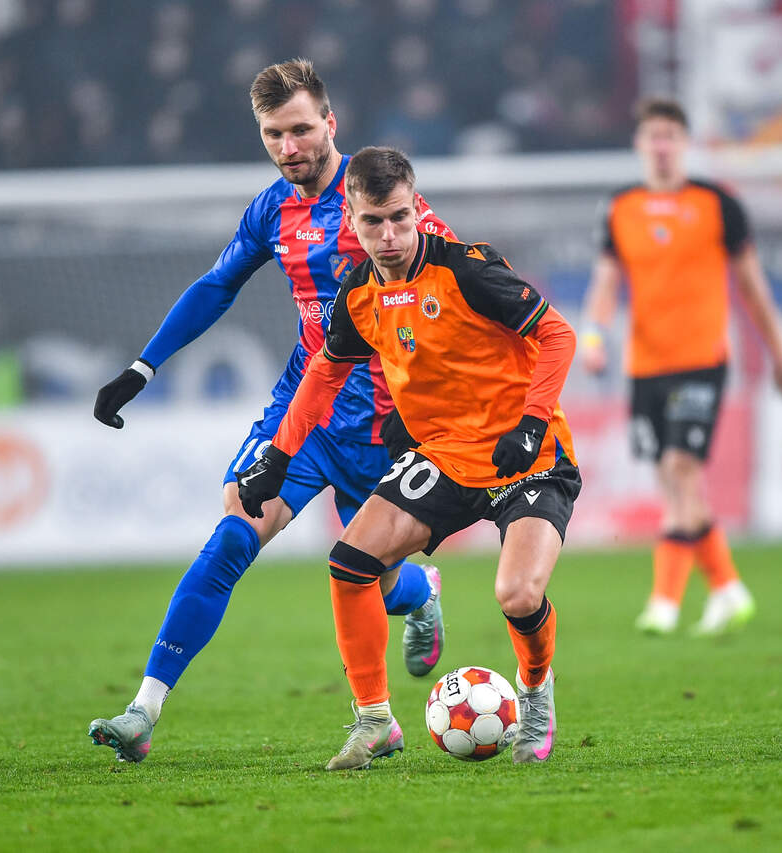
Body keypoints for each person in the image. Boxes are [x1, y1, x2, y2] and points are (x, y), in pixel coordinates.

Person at [87, 60, 454, 763]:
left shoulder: (380, 204)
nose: (289, 147)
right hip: (304, 413)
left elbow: (454, 289)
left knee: (372, 573)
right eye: (273, 134)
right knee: (234, 532)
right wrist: (143, 366)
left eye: (302, 130)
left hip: (388, 424)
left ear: (331, 124)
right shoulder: (270, 210)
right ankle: (143, 711)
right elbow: (216, 285)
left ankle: (417, 592)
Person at [237, 146, 580, 770]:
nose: (389, 235)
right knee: (350, 562)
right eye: (373, 222)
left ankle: (535, 695)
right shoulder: (359, 292)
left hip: (524, 457)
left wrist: (532, 423)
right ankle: (374, 721)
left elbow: (558, 333)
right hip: (444, 456)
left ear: (417, 208)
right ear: (351, 219)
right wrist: (278, 456)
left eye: (400, 217)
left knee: (517, 595)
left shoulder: (468, 270)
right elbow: (324, 374)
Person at [580, 98, 782, 637]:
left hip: (702, 360)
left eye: (670, 136)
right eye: (652, 135)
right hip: (644, 365)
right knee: (675, 485)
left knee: (682, 469)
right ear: (639, 144)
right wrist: (593, 335)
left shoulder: (718, 204)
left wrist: (781, 354)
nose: (661, 146)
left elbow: (753, 287)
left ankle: (664, 602)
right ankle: (727, 589)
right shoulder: (621, 207)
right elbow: (606, 282)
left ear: (685, 143)